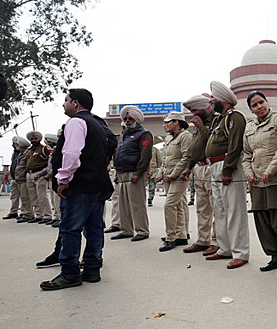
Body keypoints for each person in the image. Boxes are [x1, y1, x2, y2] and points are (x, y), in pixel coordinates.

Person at [40, 88, 114, 290]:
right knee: (94, 228)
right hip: (97, 184)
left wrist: (63, 178)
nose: (63, 104)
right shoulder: (97, 124)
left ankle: (70, 273)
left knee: (70, 230)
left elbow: (72, 153)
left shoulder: (76, 122)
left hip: (81, 185)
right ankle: (92, 270)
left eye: (66, 100)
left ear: (75, 104)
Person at [242, 91, 277, 278]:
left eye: (261, 102)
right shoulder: (249, 127)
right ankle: (275, 257)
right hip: (257, 183)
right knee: (263, 221)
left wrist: (271, 169)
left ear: (267, 102)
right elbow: (246, 155)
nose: (259, 107)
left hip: (275, 180)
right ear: (250, 109)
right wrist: (249, 174)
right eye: (254, 105)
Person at [203, 81, 249, 269]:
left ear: (224, 99)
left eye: (214, 97)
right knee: (220, 210)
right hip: (214, 167)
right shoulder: (219, 119)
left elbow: (235, 145)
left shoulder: (234, 117)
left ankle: (241, 252)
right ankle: (225, 247)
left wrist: (228, 169)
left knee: (235, 211)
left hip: (227, 167)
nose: (212, 100)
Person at [179, 94, 219, 256]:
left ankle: (217, 242)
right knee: (202, 208)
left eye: (195, 110)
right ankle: (203, 240)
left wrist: (202, 126)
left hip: (212, 166)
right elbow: (195, 148)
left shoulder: (216, 120)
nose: (193, 113)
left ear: (205, 106)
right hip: (199, 168)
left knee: (216, 207)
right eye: (190, 111)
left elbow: (213, 142)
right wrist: (189, 167)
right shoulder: (197, 123)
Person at [110, 106, 153, 242]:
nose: (127, 121)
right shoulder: (124, 135)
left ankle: (142, 231)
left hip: (135, 173)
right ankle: (126, 230)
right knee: (123, 205)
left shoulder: (144, 134)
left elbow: (145, 156)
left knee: (137, 204)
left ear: (137, 119)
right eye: (126, 119)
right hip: (122, 174)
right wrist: (117, 173)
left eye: (130, 118)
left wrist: (139, 173)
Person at [156, 112, 191, 252]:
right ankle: (181, 235)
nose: (164, 125)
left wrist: (174, 174)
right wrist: (160, 174)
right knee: (177, 205)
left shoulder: (185, 136)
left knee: (169, 204)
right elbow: (165, 159)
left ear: (177, 122)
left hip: (179, 177)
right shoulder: (169, 138)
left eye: (167, 122)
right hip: (168, 176)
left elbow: (186, 157)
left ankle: (170, 238)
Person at [32, 134, 61, 226]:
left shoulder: (59, 151)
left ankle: (60, 217)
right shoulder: (53, 152)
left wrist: (48, 175)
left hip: (57, 178)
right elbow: (49, 167)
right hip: (51, 179)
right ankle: (56, 216)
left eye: (49, 142)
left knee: (57, 200)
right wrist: (41, 174)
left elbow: (57, 166)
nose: (47, 144)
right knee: (53, 200)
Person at [25, 130, 53, 224]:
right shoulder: (29, 150)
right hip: (30, 174)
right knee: (33, 196)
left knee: (42, 196)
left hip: (40, 174)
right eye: (32, 139)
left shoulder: (44, 149)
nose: (33, 140)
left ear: (39, 139)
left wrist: (44, 174)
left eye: (35, 138)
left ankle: (47, 215)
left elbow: (51, 160)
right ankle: (38, 215)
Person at [3, 137, 24, 220]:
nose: (14, 145)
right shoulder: (14, 153)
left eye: (16, 143)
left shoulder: (23, 153)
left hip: (21, 178)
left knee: (23, 196)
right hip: (14, 178)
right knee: (14, 196)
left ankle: (24, 212)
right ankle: (13, 211)